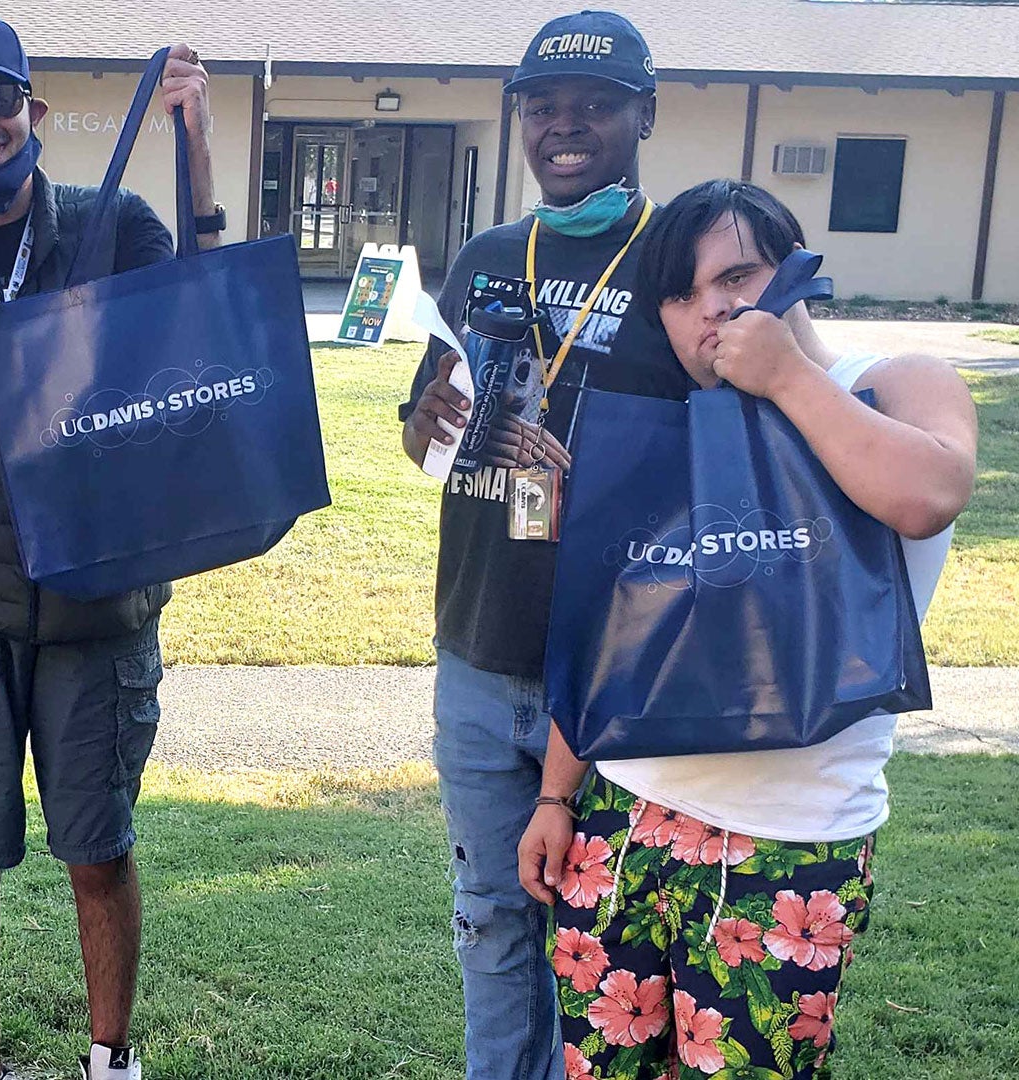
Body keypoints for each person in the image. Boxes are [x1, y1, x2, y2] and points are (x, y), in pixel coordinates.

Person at [517, 178, 977, 1079]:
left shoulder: (889, 384)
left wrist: (788, 378)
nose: (713, 310)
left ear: (797, 269)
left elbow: (928, 497)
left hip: (791, 841)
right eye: (682, 295)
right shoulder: (664, 430)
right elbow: (614, 633)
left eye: (738, 274)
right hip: (623, 818)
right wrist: (555, 795)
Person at [0, 16, 224, 1080]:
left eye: (1, 100)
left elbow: (208, 313)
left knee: (98, 853)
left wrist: (194, 138)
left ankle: (111, 1060)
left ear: (37, 114)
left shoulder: (116, 226)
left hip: (96, 606)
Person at [398, 11, 694, 1080]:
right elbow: (419, 432)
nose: (565, 127)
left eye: (596, 106)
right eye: (544, 108)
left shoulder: (678, 256)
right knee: (487, 918)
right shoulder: (484, 256)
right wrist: (422, 416)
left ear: (644, 115)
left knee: (602, 940)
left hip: (614, 668)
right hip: (476, 648)